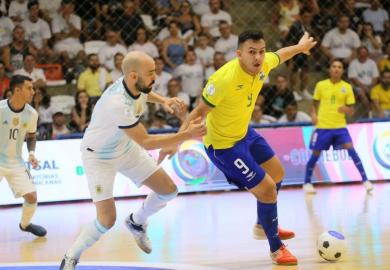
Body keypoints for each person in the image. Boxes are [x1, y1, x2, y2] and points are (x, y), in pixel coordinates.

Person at [163, 30, 317, 265]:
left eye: (261, 51)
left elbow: (281, 55)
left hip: (245, 133)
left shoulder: (264, 63)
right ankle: (276, 249)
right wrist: (175, 141)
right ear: (239, 54)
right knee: (267, 190)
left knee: (277, 174)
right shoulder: (223, 79)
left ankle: (262, 224)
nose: (258, 57)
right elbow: (197, 113)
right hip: (223, 146)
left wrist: (299, 46)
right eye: (251, 52)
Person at [59, 51, 206, 270]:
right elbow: (146, 141)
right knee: (106, 220)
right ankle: (71, 256)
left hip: (124, 147)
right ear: (134, 76)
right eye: (151, 73)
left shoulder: (131, 82)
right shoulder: (117, 103)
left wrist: (164, 100)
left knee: (168, 190)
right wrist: (185, 135)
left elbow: (145, 93)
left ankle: (136, 222)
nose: (155, 77)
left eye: (155, 71)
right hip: (99, 157)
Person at [303, 59, 374, 194]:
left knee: (352, 150)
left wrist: (346, 109)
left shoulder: (347, 87)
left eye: (339, 67)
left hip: (340, 127)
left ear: (342, 71)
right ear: (330, 69)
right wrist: (313, 114)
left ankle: (366, 180)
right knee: (316, 154)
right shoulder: (321, 85)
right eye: (334, 66)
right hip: (323, 126)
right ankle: (307, 183)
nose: (336, 69)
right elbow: (314, 103)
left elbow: (351, 110)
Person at [0, 75, 46, 237]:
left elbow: (31, 136)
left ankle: (25, 224)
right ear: (17, 90)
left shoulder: (32, 114)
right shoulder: (1, 109)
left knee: (32, 197)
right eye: (29, 88)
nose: (33, 92)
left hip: (15, 162)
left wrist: (32, 153)